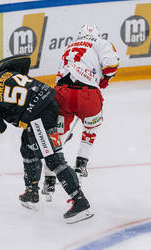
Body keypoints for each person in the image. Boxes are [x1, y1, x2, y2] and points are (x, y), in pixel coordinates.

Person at [0, 55, 94, 224]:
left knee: (53, 158)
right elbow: (25, 60)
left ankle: (80, 202)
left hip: (38, 116)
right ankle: (31, 193)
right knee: (27, 146)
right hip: (49, 98)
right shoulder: (0, 68)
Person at [41, 24, 119, 200]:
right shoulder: (101, 42)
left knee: (57, 136)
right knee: (91, 127)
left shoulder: (70, 46)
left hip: (62, 94)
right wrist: (105, 79)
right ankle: (81, 162)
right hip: (87, 95)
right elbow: (111, 65)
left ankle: (49, 179)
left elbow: (60, 75)